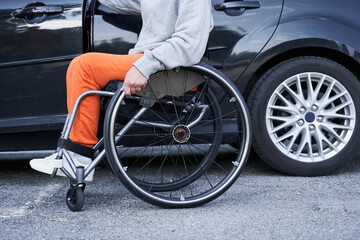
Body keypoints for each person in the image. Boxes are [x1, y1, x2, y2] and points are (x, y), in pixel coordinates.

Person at [29, 0, 214, 181]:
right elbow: (124, 2)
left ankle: (78, 156)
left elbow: (190, 44)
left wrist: (144, 66)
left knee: (85, 67)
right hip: (153, 62)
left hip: (171, 70)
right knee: (84, 69)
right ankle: (74, 154)